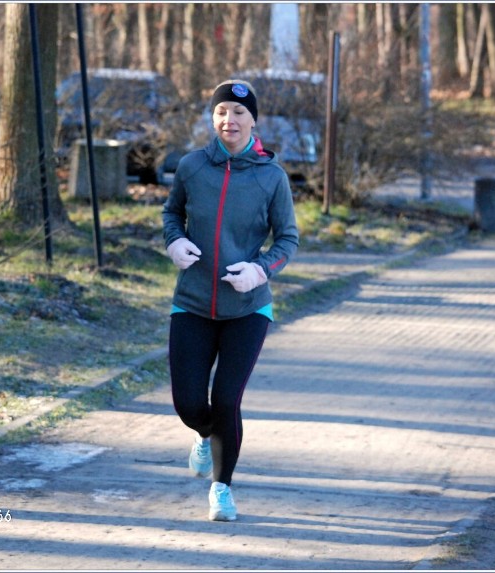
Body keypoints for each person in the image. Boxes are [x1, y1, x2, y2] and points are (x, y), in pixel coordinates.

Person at [162, 79, 299, 521]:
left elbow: (288, 239)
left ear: (253, 120)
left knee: (226, 400)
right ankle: (205, 435)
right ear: (213, 118)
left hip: (247, 308)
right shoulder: (192, 167)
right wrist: (174, 242)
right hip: (193, 302)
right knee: (188, 402)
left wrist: (261, 269)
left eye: (239, 113)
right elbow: (171, 213)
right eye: (222, 112)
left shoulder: (270, 177)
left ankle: (222, 489)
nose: (229, 120)